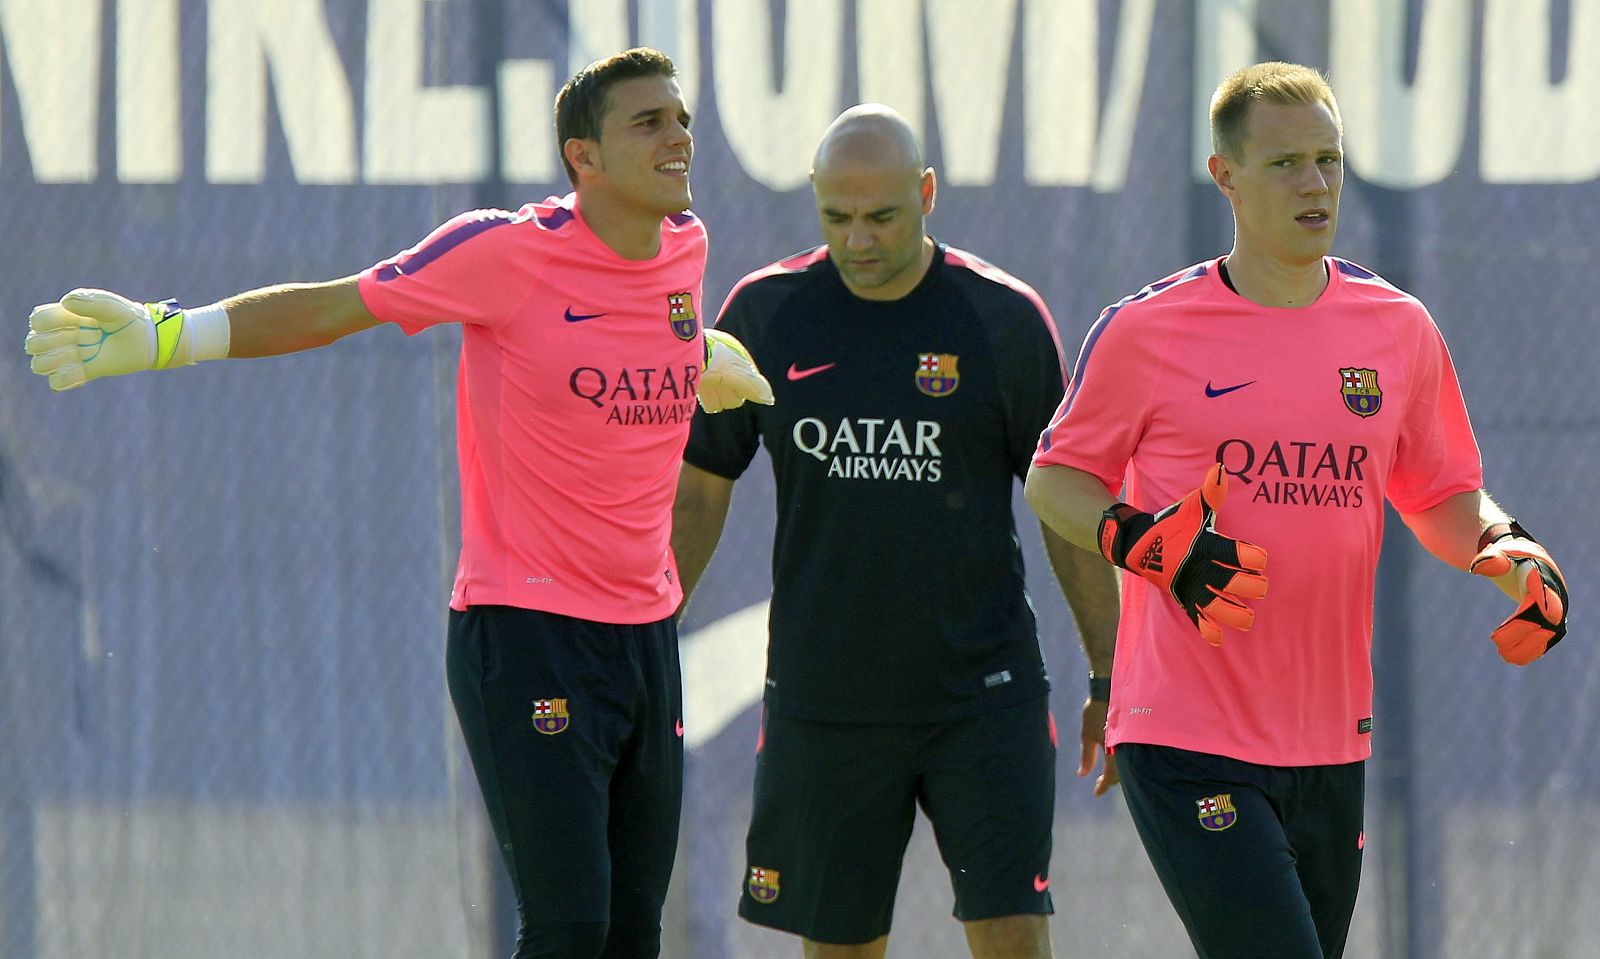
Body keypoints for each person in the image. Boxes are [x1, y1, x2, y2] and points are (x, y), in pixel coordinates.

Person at [24, 48, 774, 959]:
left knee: (629, 937)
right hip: (527, 631)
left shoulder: (684, 249)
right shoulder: (508, 250)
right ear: (584, 158)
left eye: (681, 118)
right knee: (571, 929)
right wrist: (167, 335)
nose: (679, 137)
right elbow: (335, 307)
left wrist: (701, 357)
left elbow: (634, 338)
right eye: (648, 122)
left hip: (647, 637)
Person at [1024, 61, 1570, 959]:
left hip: (1329, 739)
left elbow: (1437, 492)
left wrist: (1509, 546)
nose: (1315, 185)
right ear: (1224, 176)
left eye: (1330, 160)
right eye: (1285, 164)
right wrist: (1142, 543)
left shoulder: (1396, 328)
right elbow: (1057, 478)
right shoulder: (1147, 330)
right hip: (1186, 730)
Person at [671, 104, 1121, 959]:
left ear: (927, 193)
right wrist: (645, 640)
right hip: (825, 699)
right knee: (839, 946)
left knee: (1015, 936)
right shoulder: (765, 316)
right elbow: (699, 493)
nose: (859, 240)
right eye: (836, 217)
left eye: (882, 216)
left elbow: (1067, 509)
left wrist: (1111, 668)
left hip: (982, 697)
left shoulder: (1003, 322)